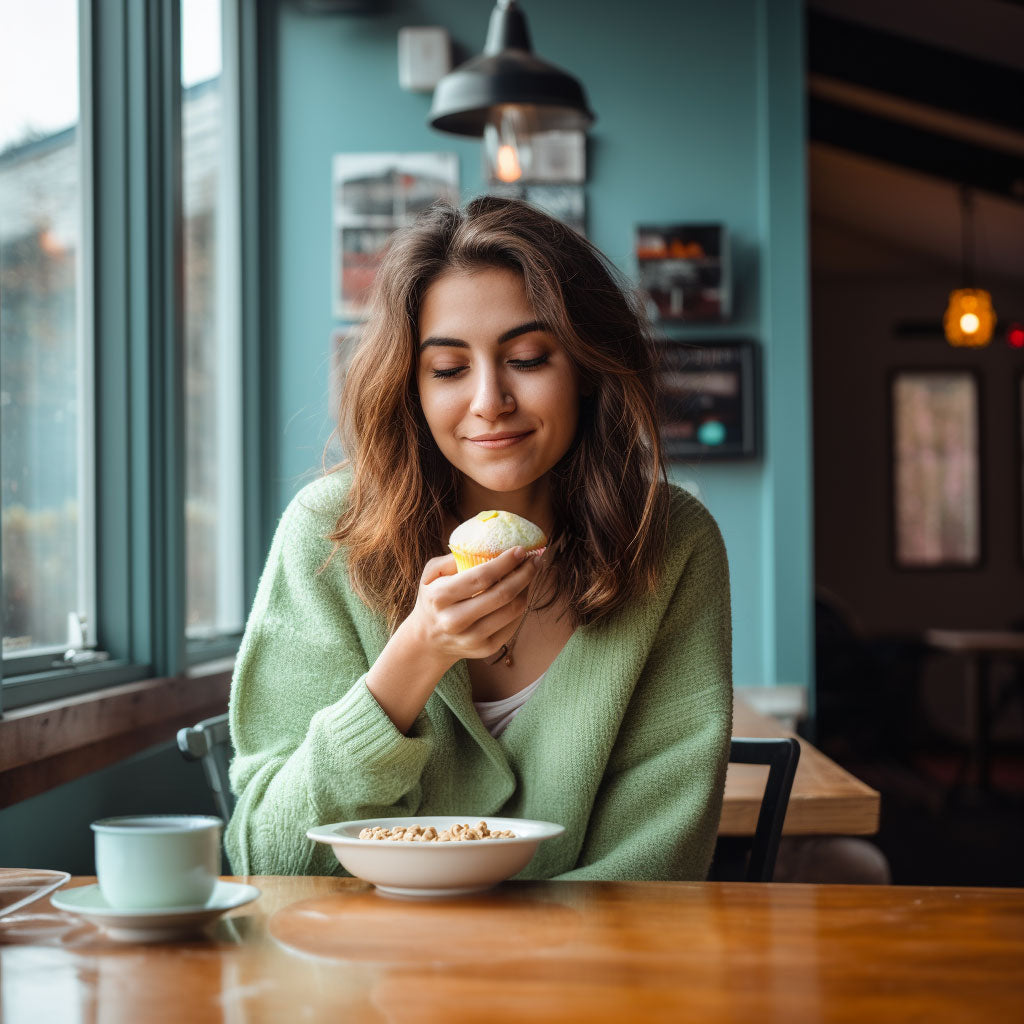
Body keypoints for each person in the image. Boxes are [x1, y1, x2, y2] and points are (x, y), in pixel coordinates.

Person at [225, 196, 733, 880]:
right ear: (411, 387)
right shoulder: (327, 534)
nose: (490, 400)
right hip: (372, 978)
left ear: (584, 367)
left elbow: (656, 865)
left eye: (527, 358)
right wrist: (413, 657)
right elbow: (266, 856)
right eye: (449, 369)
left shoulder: (670, 543)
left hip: (586, 981)